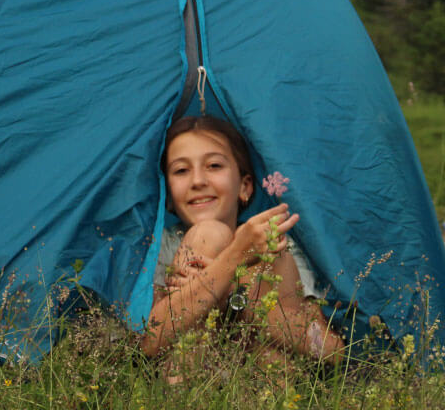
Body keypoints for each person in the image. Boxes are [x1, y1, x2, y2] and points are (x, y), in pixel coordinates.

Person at [140, 116, 344, 370]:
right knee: (208, 234)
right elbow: (148, 342)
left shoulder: (276, 245)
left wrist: (236, 295)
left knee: (274, 254)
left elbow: (330, 351)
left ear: (245, 186)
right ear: (168, 195)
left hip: (257, 376)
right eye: (181, 170)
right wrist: (233, 259)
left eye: (214, 165)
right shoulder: (158, 246)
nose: (198, 181)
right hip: (190, 372)